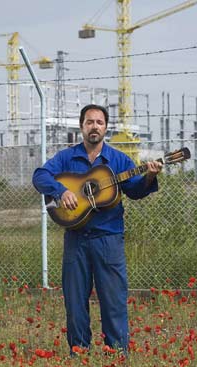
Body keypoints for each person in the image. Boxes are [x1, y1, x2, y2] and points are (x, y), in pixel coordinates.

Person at [32, 104, 162, 353]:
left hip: (108, 239)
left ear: (106, 128)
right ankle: (79, 351)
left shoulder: (117, 160)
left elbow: (134, 190)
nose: (94, 127)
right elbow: (40, 176)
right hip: (76, 238)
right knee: (75, 301)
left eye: (99, 122)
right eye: (89, 122)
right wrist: (62, 191)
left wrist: (149, 177)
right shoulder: (67, 158)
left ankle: (116, 353)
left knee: (113, 300)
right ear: (82, 127)